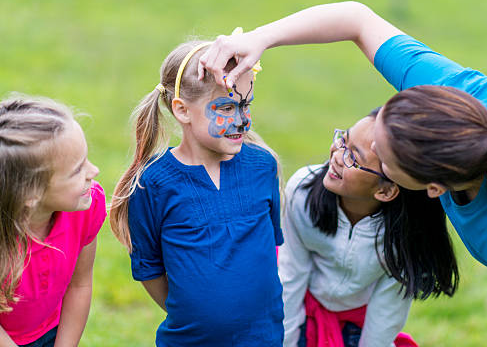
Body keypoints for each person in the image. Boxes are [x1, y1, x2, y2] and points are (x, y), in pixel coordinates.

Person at [198, 2, 487, 346]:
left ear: (431, 188)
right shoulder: (446, 99)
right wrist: (257, 39)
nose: (357, 153)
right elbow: (356, 18)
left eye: (380, 159)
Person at [109, 38, 284, 347]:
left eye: (247, 105)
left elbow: (272, 249)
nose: (243, 120)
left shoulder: (263, 166)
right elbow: (149, 269)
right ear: (183, 110)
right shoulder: (154, 183)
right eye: (228, 107)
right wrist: (197, 314)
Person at [279, 107, 458, 347]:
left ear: (385, 190)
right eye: (344, 140)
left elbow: (385, 316)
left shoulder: (405, 235)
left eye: (353, 157)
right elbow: (290, 277)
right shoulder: (302, 192)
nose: (336, 155)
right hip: (300, 311)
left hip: (358, 325)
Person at [0, 95, 106, 347]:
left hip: (51, 333)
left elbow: (80, 285)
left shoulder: (85, 207)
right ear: (29, 194)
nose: (94, 172)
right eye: (77, 169)